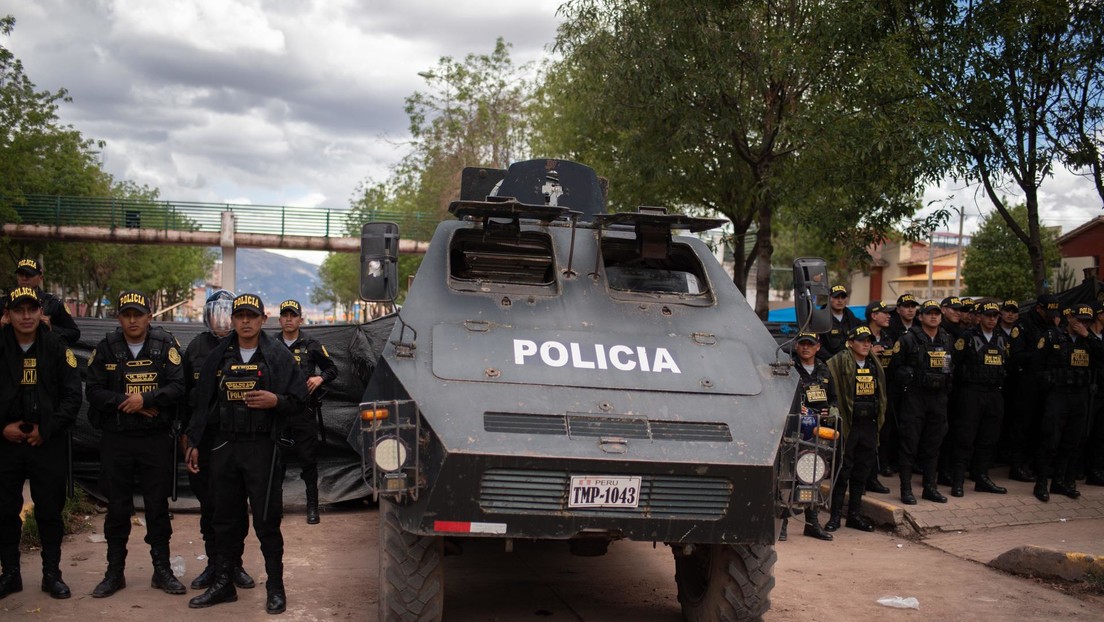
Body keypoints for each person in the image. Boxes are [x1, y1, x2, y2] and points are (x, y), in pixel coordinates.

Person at [185, 294, 307, 614]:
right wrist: (195, 442)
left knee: (267, 520)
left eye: (251, 316)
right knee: (224, 518)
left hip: (262, 447)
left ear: (262, 319)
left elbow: (299, 400)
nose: (245, 322)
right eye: (240, 316)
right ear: (233, 320)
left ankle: (275, 587)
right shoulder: (217, 356)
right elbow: (202, 404)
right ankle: (224, 583)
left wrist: (275, 401)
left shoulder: (277, 355)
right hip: (225, 446)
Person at [85, 291, 187, 598]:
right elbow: (92, 390)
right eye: (127, 314)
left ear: (149, 316)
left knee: (157, 507)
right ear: (119, 318)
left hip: (155, 440)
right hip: (117, 440)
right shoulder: (106, 348)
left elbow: (179, 385)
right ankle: (114, 573)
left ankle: (162, 571)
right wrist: (126, 403)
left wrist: (147, 398)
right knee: (117, 509)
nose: (132, 319)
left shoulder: (165, 346)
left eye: (138, 314)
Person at [0, 287, 81, 599]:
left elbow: (73, 396)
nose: (25, 316)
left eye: (31, 309)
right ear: (7, 314)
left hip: (47, 443)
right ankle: (10, 573)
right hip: (6, 444)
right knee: (5, 510)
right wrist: (2, 428)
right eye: (18, 310)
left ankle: (52, 574)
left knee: (49, 511)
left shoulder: (56, 346)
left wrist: (46, 429)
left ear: (40, 313)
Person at [181, 290, 255, 591]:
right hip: (204, 441)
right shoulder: (196, 348)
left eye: (229, 314)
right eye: (217, 313)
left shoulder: (248, 347)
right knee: (209, 507)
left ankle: (234, 564)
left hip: (237, 440)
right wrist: (189, 442)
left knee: (236, 507)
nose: (223, 321)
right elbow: (185, 400)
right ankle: (214, 564)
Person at [1031, 304, 1103, 502]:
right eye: (1079, 320)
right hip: (1058, 395)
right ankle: (1042, 482)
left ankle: (1061, 482)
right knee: (1050, 439)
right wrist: (1052, 381)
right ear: (1069, 317)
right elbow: (1037, 367)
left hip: (1080, 396)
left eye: (1087, 322)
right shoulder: (1053, 336)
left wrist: (1087, 336)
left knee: (1072, 441)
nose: (1083, 324)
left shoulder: (1089, 341)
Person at [276, 299, 337, 525]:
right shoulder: (270, 344)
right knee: (276, 463)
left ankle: (312, 507)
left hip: (304, 412)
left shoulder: (311, 343)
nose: (289, 319)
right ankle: (276, 508)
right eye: (285, 315)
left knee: (308, 462)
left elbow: (332, 369)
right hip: (278, 413)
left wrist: (320, 377)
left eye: (293, 315)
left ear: (300, 319)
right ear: (280, 319)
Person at [891, 299, 954, 505]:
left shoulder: (946, 339)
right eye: (929, 313)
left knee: (933, 444)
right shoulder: (909, 339)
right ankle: (906, 489)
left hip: (938, 398)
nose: (933, 316)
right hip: (915, 398)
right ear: (921, 317)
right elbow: (895, 369)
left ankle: (930, 487)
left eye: (937, 313)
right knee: (909, 444)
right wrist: (911, 377)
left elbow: (950, 366)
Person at [825, 326, 886, 533]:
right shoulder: (838, 362)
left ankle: (854, 515)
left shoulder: (874, 364)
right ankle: (834, 517)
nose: (866, 344)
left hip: (868, 425)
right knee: (842, 471)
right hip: (848, 425)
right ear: (850, 343)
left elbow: (881, 394)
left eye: (869, 340)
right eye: (861, 340)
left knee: (861, 472)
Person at [949, 301, 1009, 497]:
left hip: (993, 393)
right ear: (979, 316)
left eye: (995, 315)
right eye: (988, 315)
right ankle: (957, 481)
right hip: (971, 393)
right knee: (964, 438)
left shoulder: (1001, 338)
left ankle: (982, 478)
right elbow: (954, 365)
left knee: (988, 438)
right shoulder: (967, 337)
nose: (992, 319)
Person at [779, 332, 834, 542]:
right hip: (794, 431)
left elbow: (834, 399)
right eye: (802, 344)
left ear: (817, 347)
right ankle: (782, 524)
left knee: (814, 476)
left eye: (809, 344)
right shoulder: (789, 367)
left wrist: (831, 411)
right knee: (789, 476)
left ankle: (812, 524)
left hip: (818, 433)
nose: (805, 348)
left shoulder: (824, 369)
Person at [1006, 294, 1060, 482]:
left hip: (1045, 383)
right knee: (1023, 425)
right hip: (1026, 382)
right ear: (1039, 308)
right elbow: (1017, 355)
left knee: (1042, 426)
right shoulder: (1023, 325)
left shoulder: (1051, 325)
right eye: (1048, 312)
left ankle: (1037, 464)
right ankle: (1017, 466)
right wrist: (1040, 355)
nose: (1052, 316)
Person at [3, 259, 81, 347]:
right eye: (21, 274)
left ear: (40, 278)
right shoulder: (4, 302)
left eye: (29, 275)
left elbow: (74, 333)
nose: (24, 278)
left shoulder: (53, 303)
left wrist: (50, 328)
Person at [864, 300, 894, 494]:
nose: (888, 315)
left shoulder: (888, 338)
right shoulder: (861, 337)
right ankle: (864, 479)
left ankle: (873, 477)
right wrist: (869, 352)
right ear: (874, 316)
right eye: (884, 313)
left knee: (881, 436)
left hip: (884, 394)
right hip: (864, 394)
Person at [1083, 301, 1104, 487]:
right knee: (1084, 431)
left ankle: (1095, 469)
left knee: (1100, 433)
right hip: (1087, 390)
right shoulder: (1085, 335)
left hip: (1101, 390)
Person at [818, 284, 862, 363]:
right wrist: (833, 361)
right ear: (829, 298)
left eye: (843, 297)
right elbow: (816, 345)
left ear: (846, 299)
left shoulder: (854, 321)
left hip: (850, 364)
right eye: (836, 297)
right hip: (826, 364)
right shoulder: (819, 320)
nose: (840, 300)